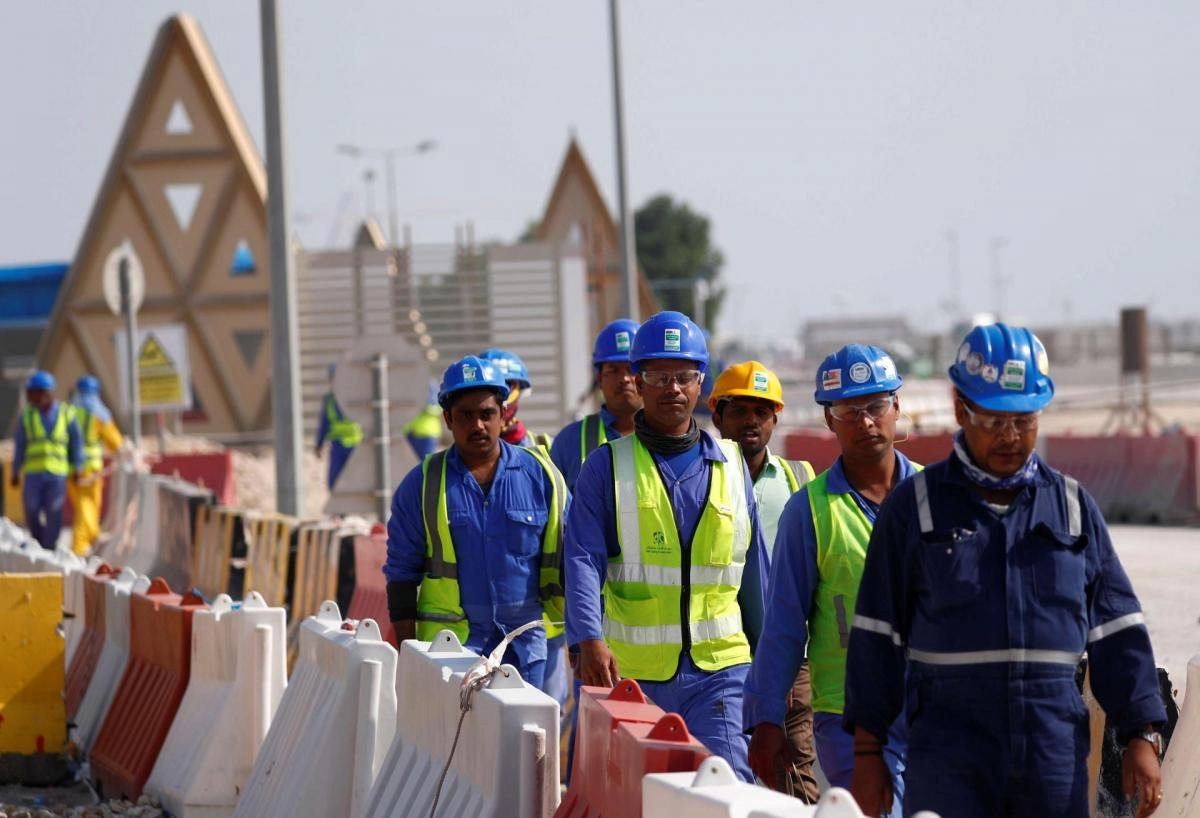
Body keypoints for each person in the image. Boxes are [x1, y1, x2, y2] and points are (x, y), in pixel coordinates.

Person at [844, 323, 1166, 818]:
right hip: (949, 756)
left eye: (1025, 420)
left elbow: (1117, 629)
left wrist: (1141, 733)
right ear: (959, 409)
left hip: (1050, 754)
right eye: (994, 421)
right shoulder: (916, 508)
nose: (1011, 437)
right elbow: (875, 636)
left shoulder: (1073, 509)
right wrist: (868, 754)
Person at [564, 310, 768, 782]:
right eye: (658, 376)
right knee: (641, 797)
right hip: (635, 676)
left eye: (683, 376)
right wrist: (588, 639)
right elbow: (581, 558)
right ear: (639, 380)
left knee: (727, 789)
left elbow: (754, 575)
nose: (672, 388)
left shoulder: (733, 466)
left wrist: (774, 669)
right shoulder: (605, 466)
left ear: (701, 384)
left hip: (722, 672)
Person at [744, 345, 915, 817]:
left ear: (897, 407)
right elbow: (783, 625)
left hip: (931, 707)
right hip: (849, 715)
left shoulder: (934, 498)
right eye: (848, 410)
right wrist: (766, 718)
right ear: (828, 419)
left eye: (876, 406)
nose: (865, 421)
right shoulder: (810, 512)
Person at [384, 355, 568, 687]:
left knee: (522, 740)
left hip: (524, 651)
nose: (478, 425)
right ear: (447, 419)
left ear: (503, 414)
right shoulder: (423, 484)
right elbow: (400, 575)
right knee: (457, 740)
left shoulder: (540, 477)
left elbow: (572, 562)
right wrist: (407, 652)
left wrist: (584, 640)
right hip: (450, 653)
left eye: (486, 414)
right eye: (465, 416)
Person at [709, 360, 819, 802]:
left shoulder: (800, 479)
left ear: (775, 418)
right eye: (739, 410)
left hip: (788, 659)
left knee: (794, 775)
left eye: (761, 410)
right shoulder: (702, 478)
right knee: (731, 778)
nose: (751, 420)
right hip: (717, 658)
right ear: (717, 417)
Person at [549, 318, 642, 492]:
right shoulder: (569, 442)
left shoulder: (667, 438)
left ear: (646, 376)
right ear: (599, 378)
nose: (624, 379)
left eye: (631, 369)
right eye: (613, 370)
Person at [10, 370, 83, 550]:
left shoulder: (66, 413)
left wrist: (78, 467)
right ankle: (39, 540)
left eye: (32, 392)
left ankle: (50, 545)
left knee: (54, 510)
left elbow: (76, 442)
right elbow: (20, 445)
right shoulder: (27, 415)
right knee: (32, 508)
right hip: (33, 473)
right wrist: (15, 471)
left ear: (44, 393)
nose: (28, 396)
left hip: (57, 473)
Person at [67, 375, 124, 555]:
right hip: (91, 468)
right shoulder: (100, 413)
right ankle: (79, 546)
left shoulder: (69, 411)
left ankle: (90, 538)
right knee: (89, 506)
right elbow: (114, 441)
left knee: (84, 506)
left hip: (70, 469)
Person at [478, 348, 552, 451]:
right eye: (490, 389)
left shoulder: (548, 448)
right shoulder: (457, 456)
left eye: (507, 385)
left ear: (520, 390)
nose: (500, 395)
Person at [315, 363, 363, 490]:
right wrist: (319, 444)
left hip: (356, 444)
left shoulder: (356, 397)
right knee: (334, 481)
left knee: (358, 480)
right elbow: (324, 423)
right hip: (337, 444)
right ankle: (340, 509)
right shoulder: (329, 399)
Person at [402, 381, 444, 461]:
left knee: (426, 463)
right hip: (415, 434)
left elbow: (434, 408)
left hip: (428, 435)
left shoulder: (432, 392)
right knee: (421, 462)